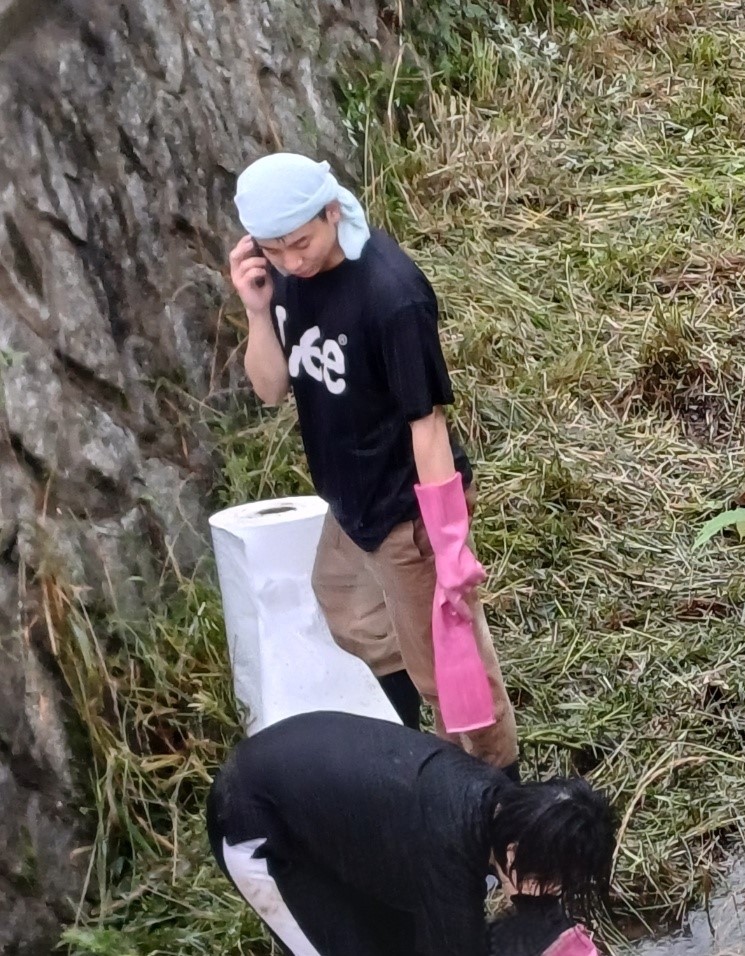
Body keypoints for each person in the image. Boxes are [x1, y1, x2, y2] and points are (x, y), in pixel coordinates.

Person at [228, 152, 517, 775]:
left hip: (405, 505)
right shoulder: (281, 279)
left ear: (331, 211)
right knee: (348, 611)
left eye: (300, 244)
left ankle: (502, 807)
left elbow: (428, 423)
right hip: (348, 498)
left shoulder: (391, 294)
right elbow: (271, 388)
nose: (291, 262)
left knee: (452, 667)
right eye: (273, 250)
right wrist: (257, 310)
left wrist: (450, 544)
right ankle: (420, 749)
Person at [206, 711, 617, 956]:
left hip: (327, 806)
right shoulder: (447, 852)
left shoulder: (501, 803)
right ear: (513, 853)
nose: (551, 895)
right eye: (550, 882)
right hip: (257, 823)